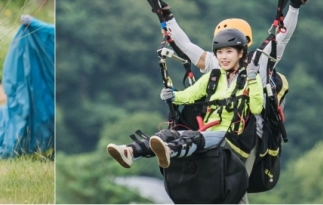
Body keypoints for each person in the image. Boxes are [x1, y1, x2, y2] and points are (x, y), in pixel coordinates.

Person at [107, 28, 264, 169]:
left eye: (229, 52)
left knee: (192, 136)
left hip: (231, 139)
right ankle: (130, 151)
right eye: (220, 52)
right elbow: (190, 95)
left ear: (241, 53)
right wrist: (172, 95)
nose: (223, 57)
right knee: (168, 135)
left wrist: (252, 78)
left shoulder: (251, 79)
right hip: (207, 133)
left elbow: (257, 108)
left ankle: (168, 151)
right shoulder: (214, 76)